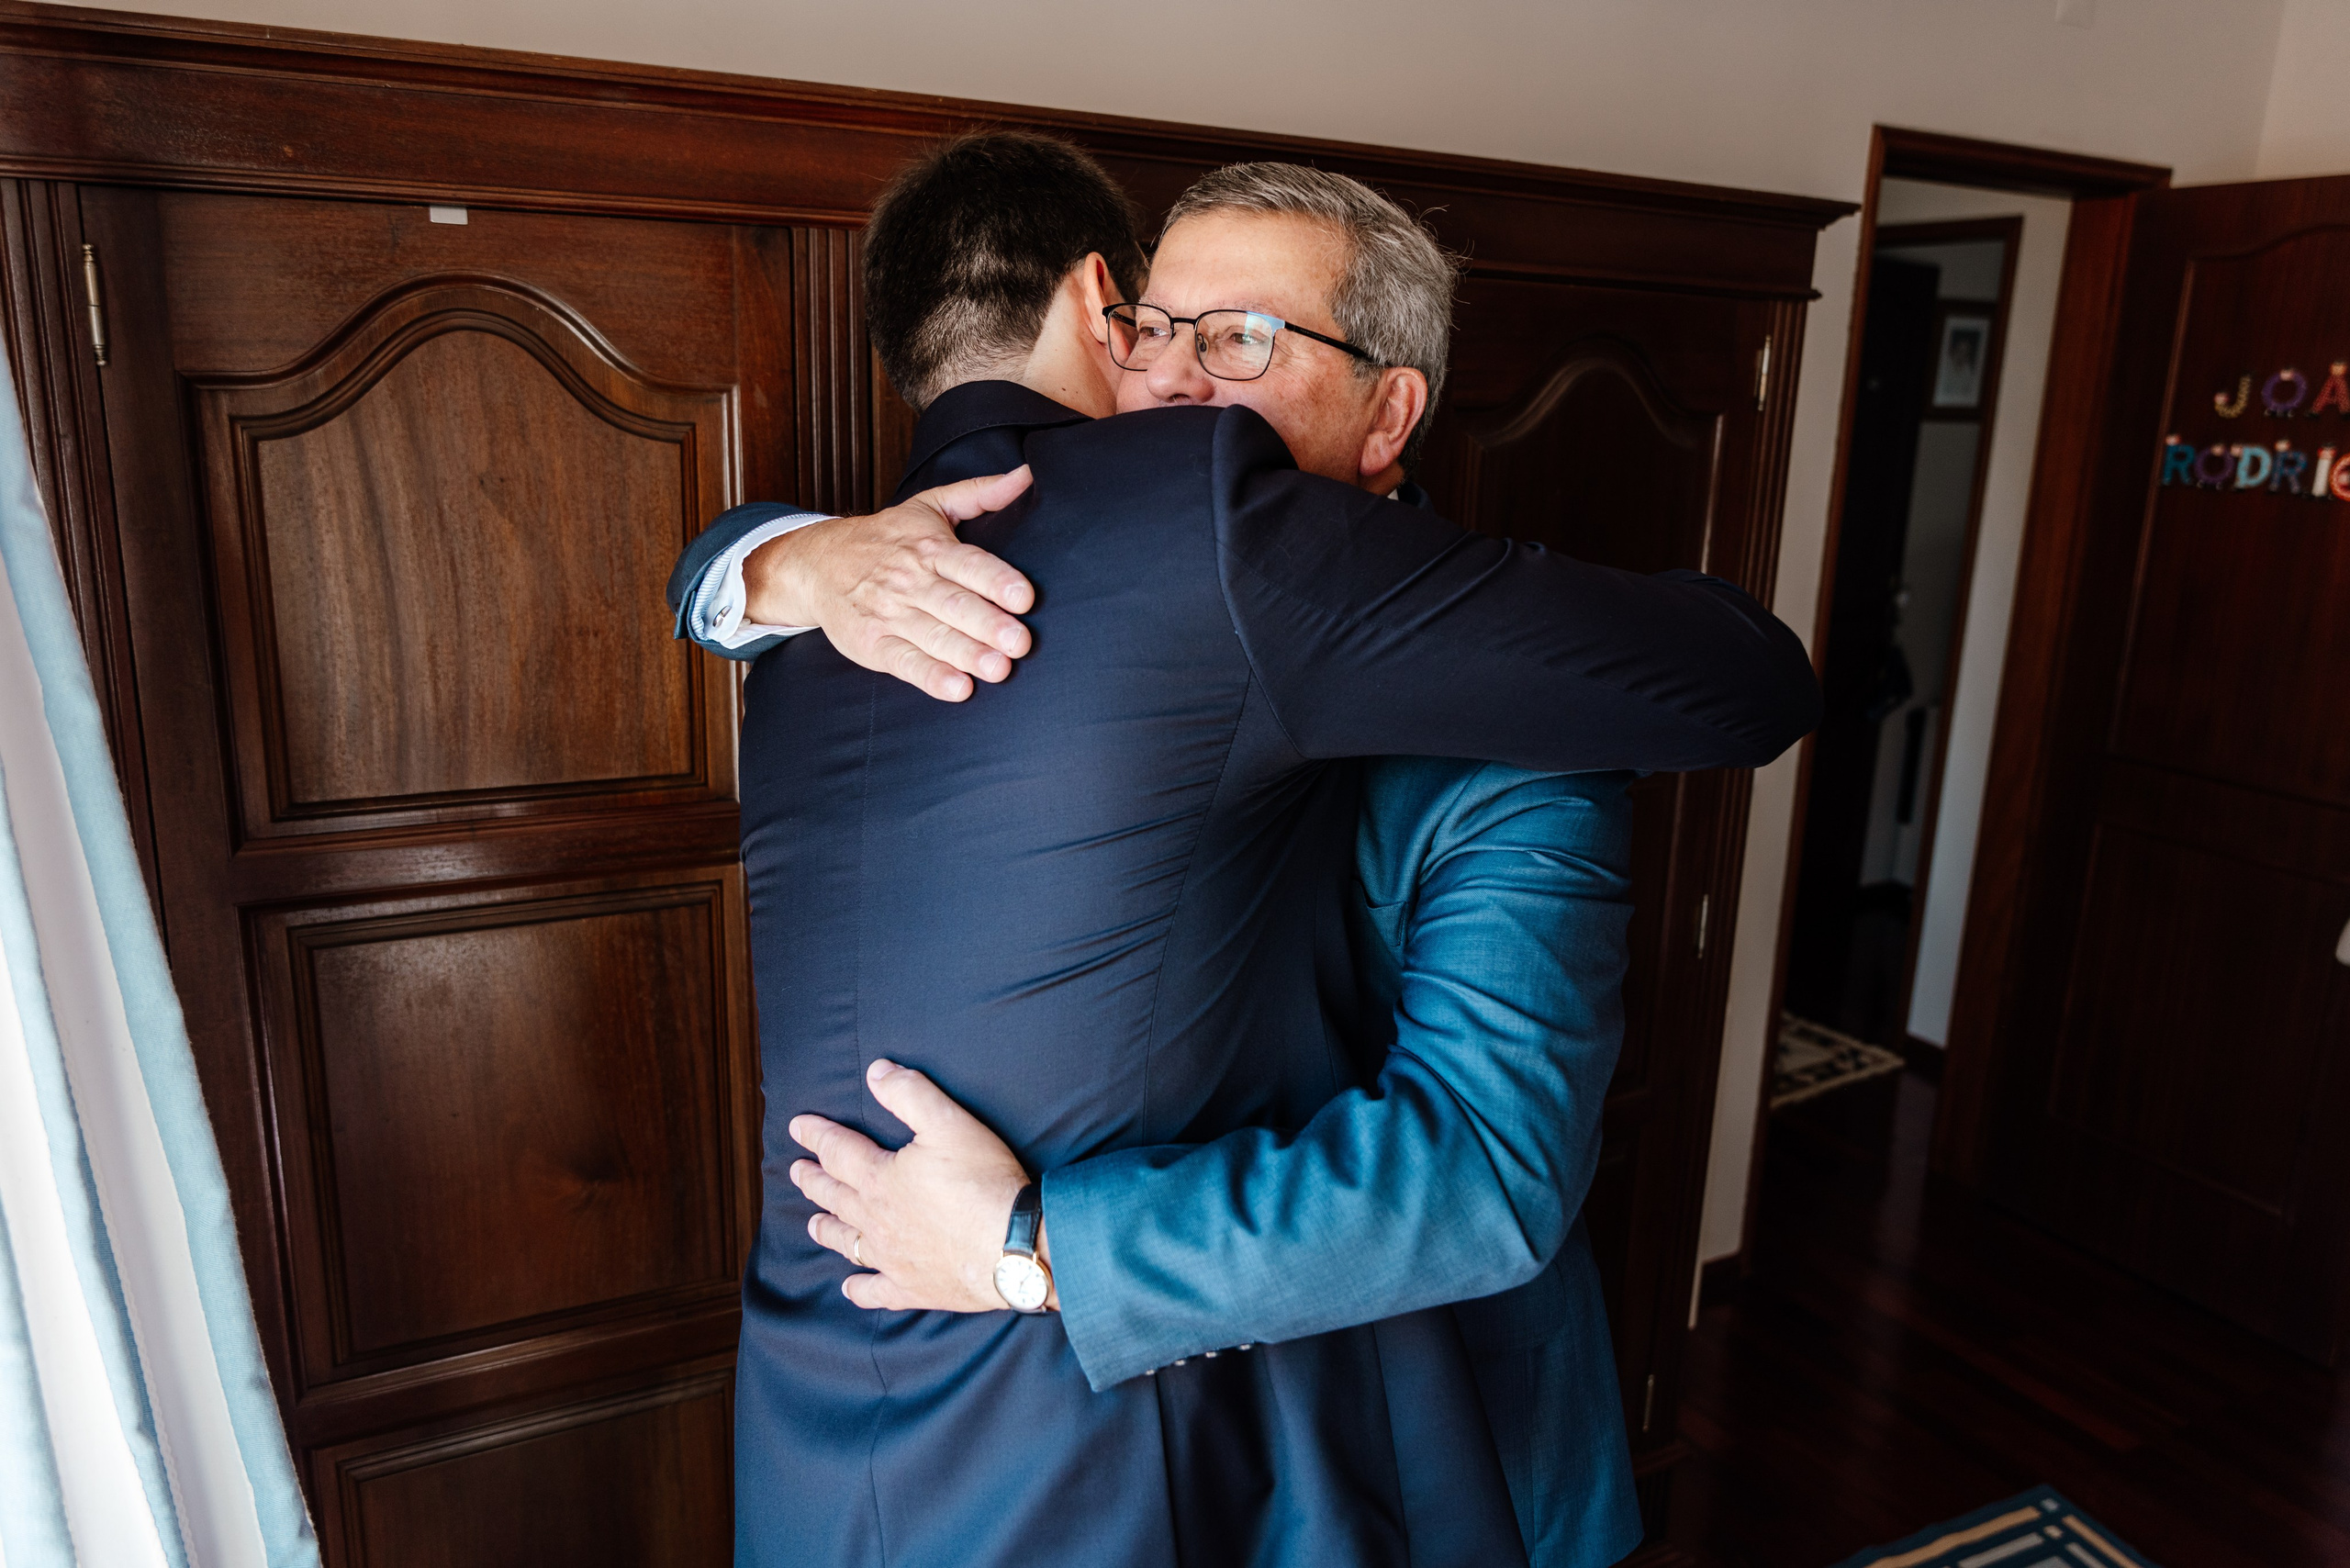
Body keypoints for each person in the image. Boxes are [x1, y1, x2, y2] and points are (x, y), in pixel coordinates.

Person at [670, 134, 1817, 1568]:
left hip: (1438, 1440)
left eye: (1241, 339)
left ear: (1389, 412)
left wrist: (1031, 1248)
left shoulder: (1527, 740)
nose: (1167, 383)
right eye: (1155, 330)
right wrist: (772, 561)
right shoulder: (921, 594)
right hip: (1179, 1459)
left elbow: (1482, 1176)